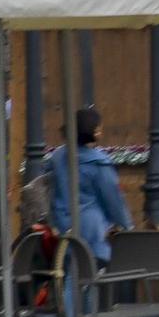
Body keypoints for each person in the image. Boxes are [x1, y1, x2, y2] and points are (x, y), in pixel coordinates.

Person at [46, 107, 132, 264]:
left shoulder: (57, 157)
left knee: (69, 273)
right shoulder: (99, 163)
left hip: (62, 227)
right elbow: (113, 199)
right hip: (92, 230)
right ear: (95, 131)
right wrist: (126, 225)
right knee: (89, 277)